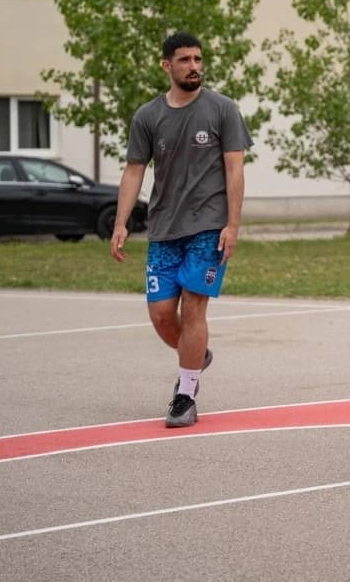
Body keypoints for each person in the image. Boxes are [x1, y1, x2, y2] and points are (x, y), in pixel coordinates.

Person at [111, 32, 252, 428]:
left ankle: (185, 395)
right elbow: (134, 170)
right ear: (166, 66)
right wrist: (121, 222)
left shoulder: (222, 109)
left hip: (208, 225)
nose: (194, 66)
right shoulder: (147, 116)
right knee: (160, 315)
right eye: (185, 60)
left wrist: (233, 224)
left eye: (198, 59)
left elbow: (235, 170)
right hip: (164, 228)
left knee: (193, 308)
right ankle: (196, 354)